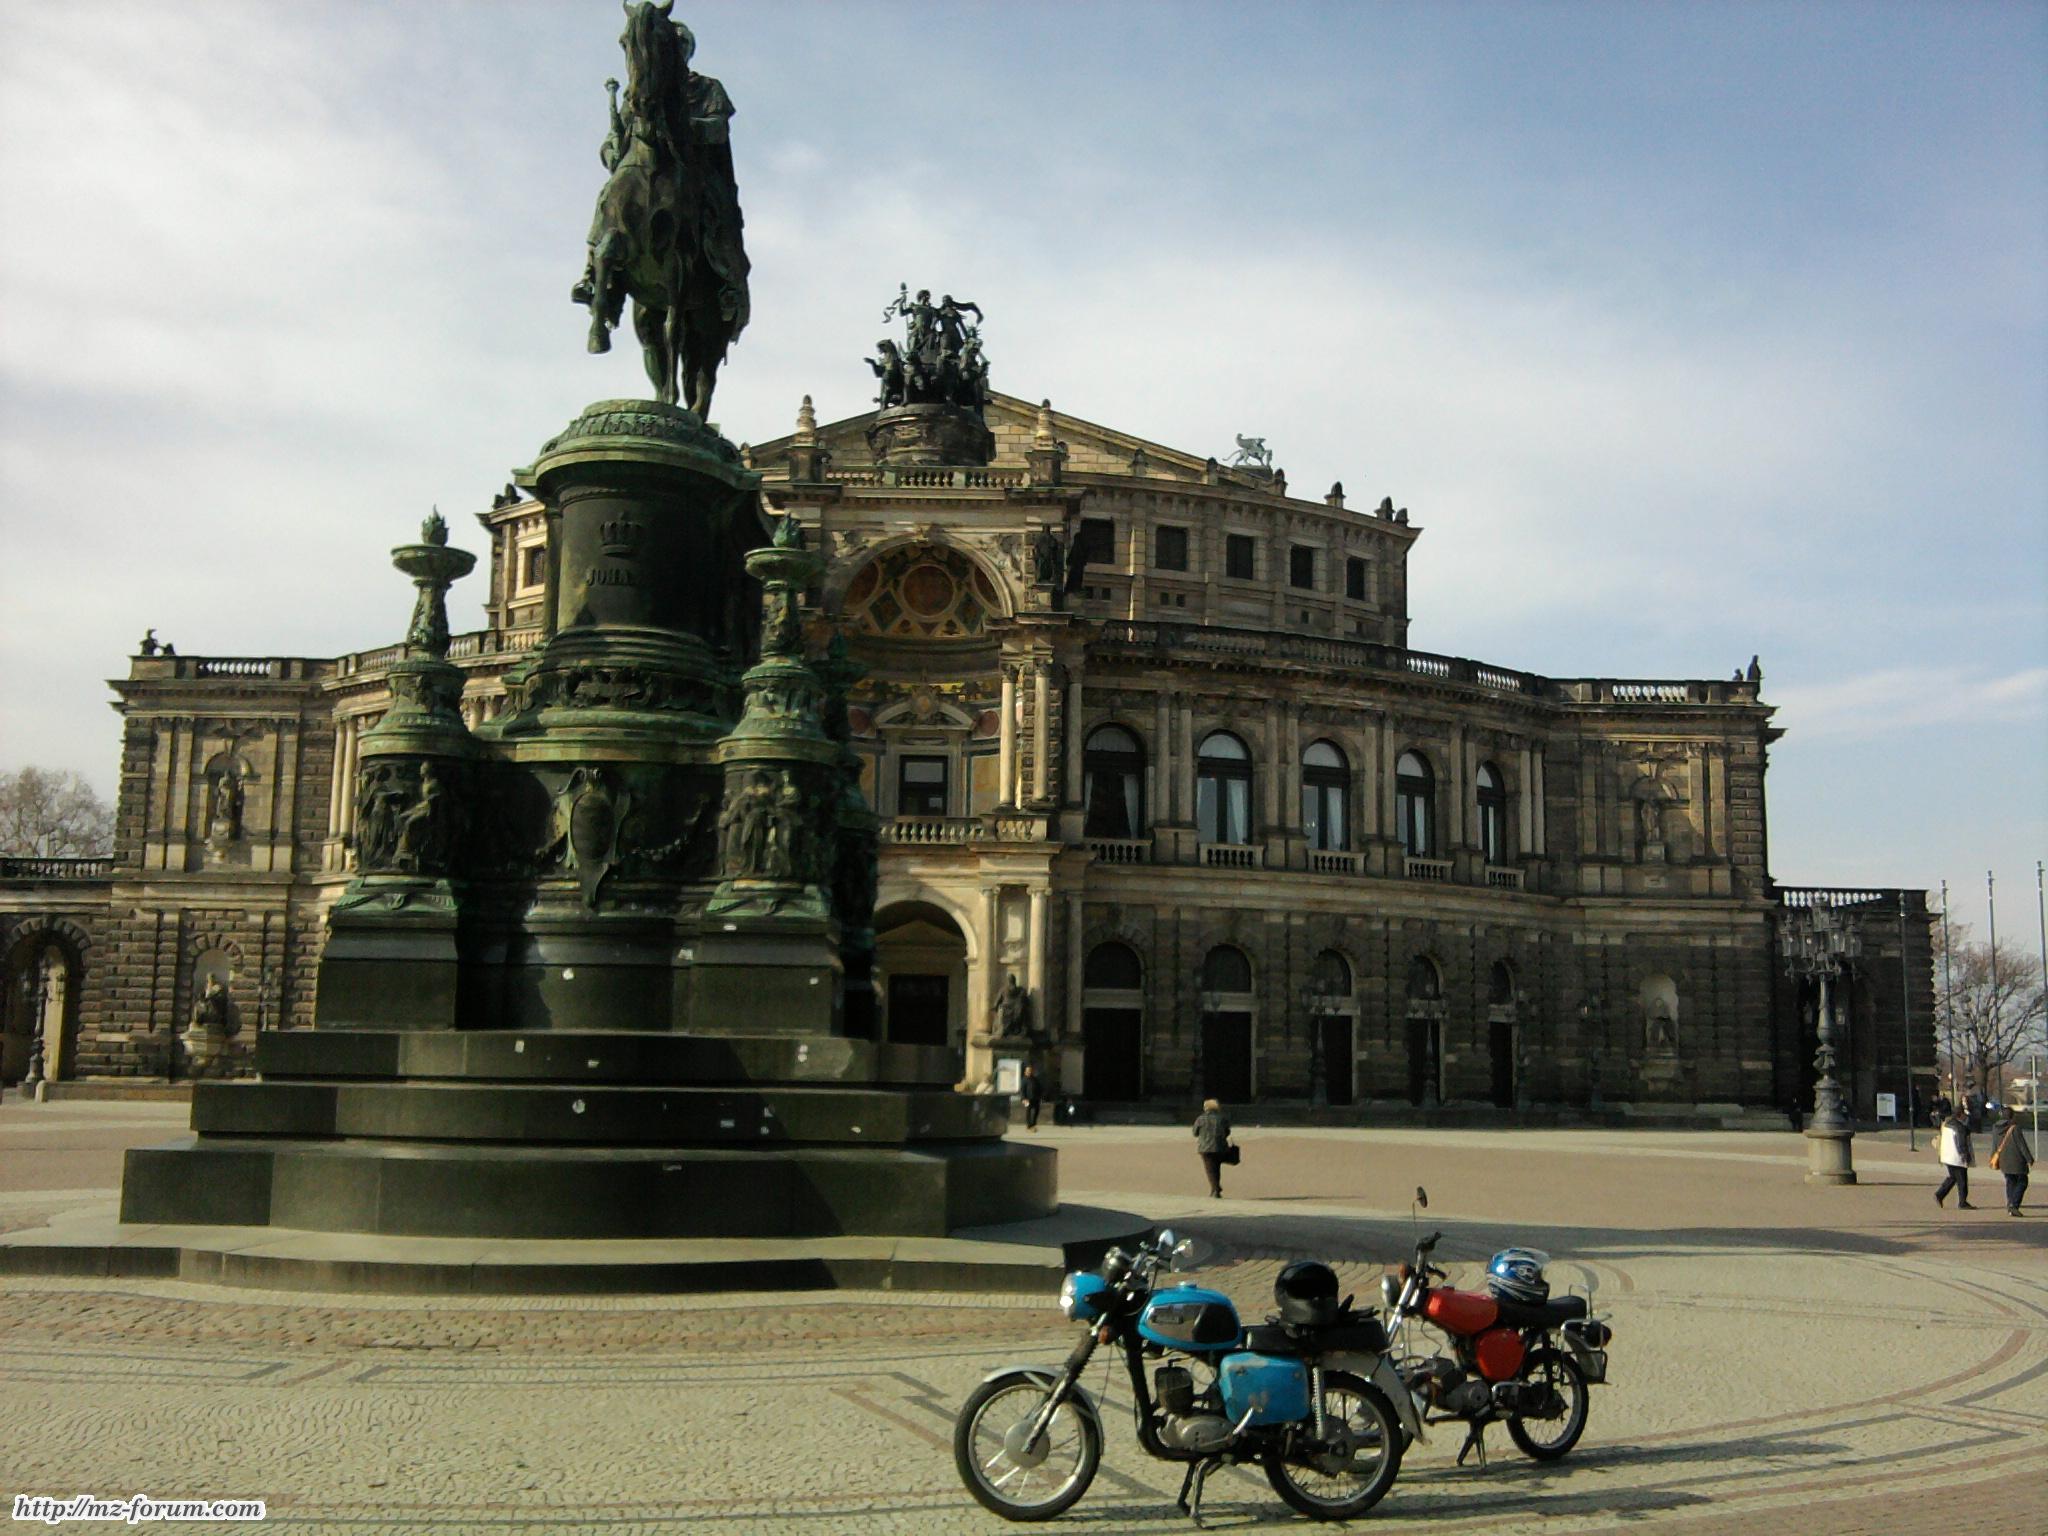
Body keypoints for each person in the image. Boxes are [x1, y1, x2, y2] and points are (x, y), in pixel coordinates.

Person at [1990, 1106, 2032, 1217]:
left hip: (2003, 1159)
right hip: (2017, 1160)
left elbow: (1994, 1144)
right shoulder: (2014, 1128)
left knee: (2010, 1181)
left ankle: (2010, 1203)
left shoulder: (1995, 1127)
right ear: (2012, 1116)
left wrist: (1993, 1157)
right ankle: (2014, 1204)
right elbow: (2021, 1145)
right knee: (2023, 1181)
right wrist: (2029, 1158)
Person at [1934, 1104, 1975, 1210]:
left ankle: (1940, 1194)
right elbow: (1961, 1143)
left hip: (1947, 1156)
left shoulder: (1946, 1124)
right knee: (1962, 1180)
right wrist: (1965, 1155)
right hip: (1957, 1157)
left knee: (1953, 1177)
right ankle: (1962, 1202)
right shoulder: (1959, 1127)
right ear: (1960, 1114)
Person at [1193, 1098, 1231, 1199]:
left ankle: (1215, 1189)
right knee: (1216, 1168)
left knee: (1210, 1169)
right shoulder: (1222, 1118)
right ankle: (1216, 1187)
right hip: (1220, 1146)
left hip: (1205, 1148)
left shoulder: (1200, 1119)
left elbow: (1195, 1133)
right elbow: (1227, 1131)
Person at [1021, 1064, 1043, 1132]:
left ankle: (1033, 1124)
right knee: (1028, 1111)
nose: (1029, 1072)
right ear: (1025, 1072)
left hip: (1035, 1098)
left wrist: (1040, 1097)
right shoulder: (1024, 1080)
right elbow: (1022, 1090)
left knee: (1036, 1111)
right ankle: (1029, 1125)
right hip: (1027, 1099)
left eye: (1030, 1071)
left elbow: (1039, 1088)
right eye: (1028, 1071)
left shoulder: (1035, 1079)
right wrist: (1023, 1098)